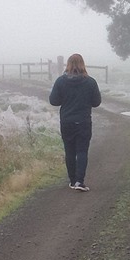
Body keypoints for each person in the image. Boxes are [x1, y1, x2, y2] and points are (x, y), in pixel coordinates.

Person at [49, 54, 102, 192]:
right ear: (83, 64)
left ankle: (72, 181)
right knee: (82, 151)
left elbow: (54, 101)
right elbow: (96, 102)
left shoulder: (60, 81)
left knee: (70, 151)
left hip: (66, 122)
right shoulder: (90, 82)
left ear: (68, 64)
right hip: (83, 121)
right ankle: (80, 181)